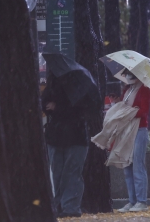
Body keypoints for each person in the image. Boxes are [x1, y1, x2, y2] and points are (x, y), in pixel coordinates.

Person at [41, 72, 89, 218]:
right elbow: (45, 104)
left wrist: (57, 107)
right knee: (61, 173)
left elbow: (79, 110)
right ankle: (63, 205)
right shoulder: (54, 84)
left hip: (72, 136)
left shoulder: (78, 88)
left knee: (69, 172)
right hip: (61, 136)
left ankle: (68, 206)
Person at [117, 69, 150, 212]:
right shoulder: (126, 90)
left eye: (129, 74)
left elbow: (144, 111)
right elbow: (121, 107)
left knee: (138, 165)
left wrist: (129, 113)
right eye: (125, 74)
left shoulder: (144, 90)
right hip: (126, 131)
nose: (127, 77)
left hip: (139, 130)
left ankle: (141, 201)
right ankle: (132, 201)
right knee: (127, 166)